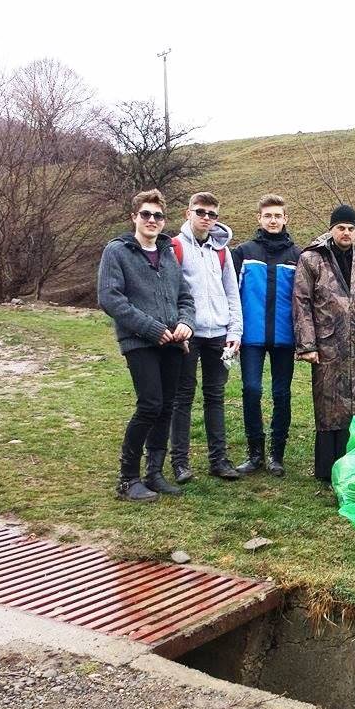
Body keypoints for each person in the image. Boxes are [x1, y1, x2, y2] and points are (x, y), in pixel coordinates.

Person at [97, 189, 195, 502]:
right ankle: (128, 479)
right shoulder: (117, 251)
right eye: (146, 214)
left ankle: (154, 472)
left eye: (158, 216)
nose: (152, 220)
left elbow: (185, 297)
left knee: (167, 406)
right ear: (134, 217)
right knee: (150, 403)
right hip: (139, 341)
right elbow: (110, 297)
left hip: (173, 342)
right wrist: (151, 328)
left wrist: (186, 322)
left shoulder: (167, 252)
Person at [293, 204, 355, 485]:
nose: (346, 232)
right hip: (327, 345)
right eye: (341, 227)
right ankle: (327, 469)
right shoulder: (312, 260)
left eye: (351, 228)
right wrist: (307, 344)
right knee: (329, 407)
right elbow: (302, 304)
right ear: (331, 229)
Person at [168, 192, 243, 483]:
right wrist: (178, 327)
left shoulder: (222, 250)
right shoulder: (174, 247)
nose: (207, 219)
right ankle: (180, 462)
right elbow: (169, 293)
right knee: (182, 397)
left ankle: (219, 460)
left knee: (215, 397)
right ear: (188, 213)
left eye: (212, 214)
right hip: (187, 333)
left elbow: (231, 292)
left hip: (218, 333)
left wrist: (234, 331)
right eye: (201, 212)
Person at [231, 194, 302, 478]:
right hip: (251, 337)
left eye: (278, 216)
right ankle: (254, 453)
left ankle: (276, 455)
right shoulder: (243, 252)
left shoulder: (298, 256)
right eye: (268, 216)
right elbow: (231, 295)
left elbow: (305, 299)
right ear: (259, 219)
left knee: (281, 394)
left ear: (286, 219)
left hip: (285, 338)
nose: (273, 220)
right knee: (251, 390)